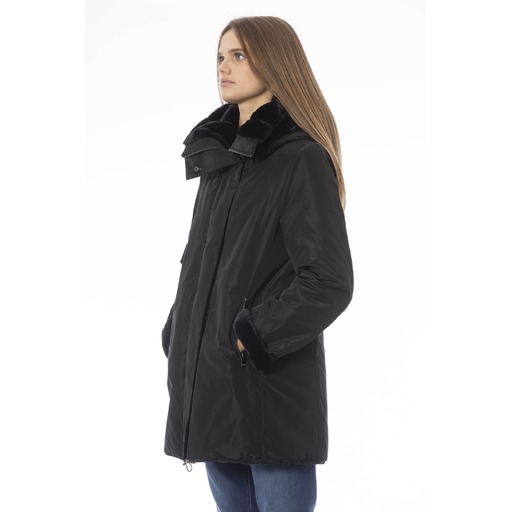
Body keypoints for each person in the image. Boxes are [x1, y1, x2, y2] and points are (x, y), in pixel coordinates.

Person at [161, 16, 354, 512]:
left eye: (239, 55)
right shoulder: (217, 160)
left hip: (268, 389)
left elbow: (328, 280)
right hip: (213, 383)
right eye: (220, 56)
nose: (223, 67)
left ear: (275, 61)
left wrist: (250, 334)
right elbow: (203, 264)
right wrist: (181, 332)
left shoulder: (300, 157)